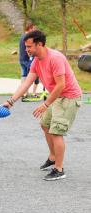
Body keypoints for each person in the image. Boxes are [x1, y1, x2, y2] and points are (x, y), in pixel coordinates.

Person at [5, 30, 82, 181]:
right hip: (57, 96)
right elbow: (27, 82)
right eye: (25, 46)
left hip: (69, 96)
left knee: (56, 131)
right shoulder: (36, 61)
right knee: (45, 124)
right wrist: (10, 101)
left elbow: (61, 85)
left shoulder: (55, 58)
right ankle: (53, 157)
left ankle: (59, 169)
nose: (26, 49)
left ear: (39, 44)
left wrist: (46, 104)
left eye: (29, 46)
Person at [19, 23, 39, 98]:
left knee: (24, 75)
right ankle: (24, 92)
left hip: (21, 58)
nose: (34, 30)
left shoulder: (22, 36)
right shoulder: (27, 37)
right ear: (30, 28)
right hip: (26, 59)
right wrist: (31, 57)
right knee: (29, 76)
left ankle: (23, 92)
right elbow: (28, 49)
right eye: (33, 28)